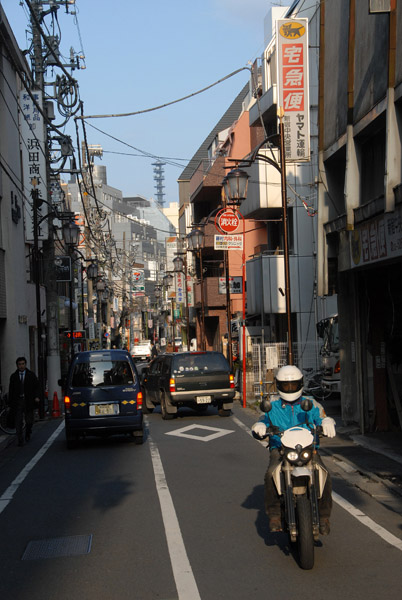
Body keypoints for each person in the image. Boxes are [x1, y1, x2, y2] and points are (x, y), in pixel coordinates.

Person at [251, 365, 336, 535]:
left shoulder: (310, 403)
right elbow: (263, 419)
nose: (290, 388)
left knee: (324, 473)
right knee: (270, 474)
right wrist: (260, 425)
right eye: (286, 385)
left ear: (300, 384)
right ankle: (274, 514)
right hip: (281, 449)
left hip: (308, 448)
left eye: (293, 385)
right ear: (279, 385)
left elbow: (322, 416)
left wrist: (326, 423)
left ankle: (324, 516)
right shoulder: (272, 405)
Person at [8, 357, 41, 446]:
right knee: (18, 421)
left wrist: (37, 397)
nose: (21, 366)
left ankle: (27, 432)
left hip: (28, 400)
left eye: (23, 364)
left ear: (25, 364)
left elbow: (37, 387)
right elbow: (11, 390)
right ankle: (20, 439)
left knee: (29, 420)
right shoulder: (14, 377)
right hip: (18, 401)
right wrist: (10, 403)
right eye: (19, 364)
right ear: (17, 365)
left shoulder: (31, 375)